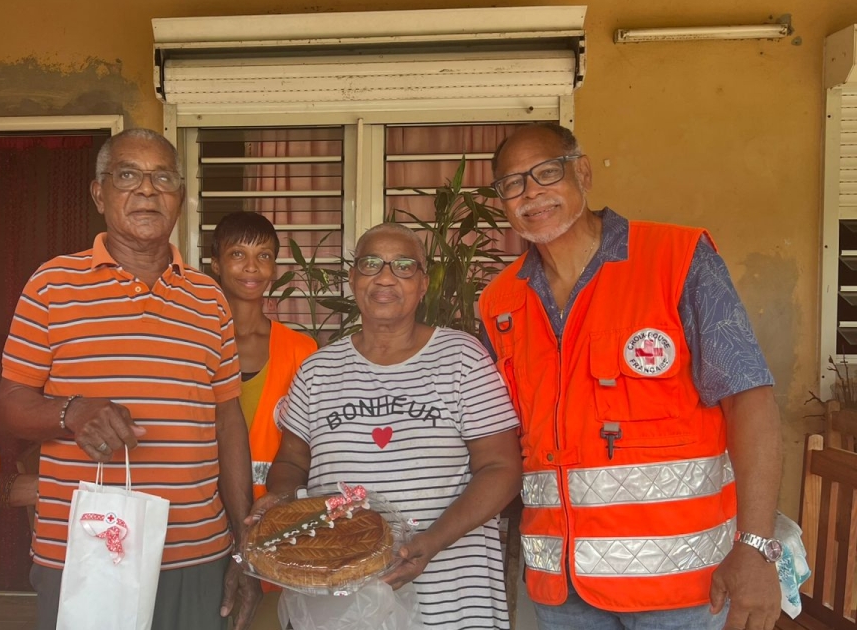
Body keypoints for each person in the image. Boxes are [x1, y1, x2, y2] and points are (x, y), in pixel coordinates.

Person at [478, 122, 783, 630]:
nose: (530, 192)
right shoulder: (499, 301)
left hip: (683, 582)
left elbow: (749, 400)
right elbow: (503, 438)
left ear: (583, 172)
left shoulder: (677, 260)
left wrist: (755, 546)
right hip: (562, 586)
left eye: (546, 173)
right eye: (512, 184)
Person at [0, 128, 261, 630]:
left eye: (163, 178)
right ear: (99, 193)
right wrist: (71, 412)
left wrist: (243, 547)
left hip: (196, 552)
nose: (147, 190)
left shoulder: (209, 301)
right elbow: (8, 404)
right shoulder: (51, 286)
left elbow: (228, 422)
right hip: (86, 553)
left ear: (180, 196)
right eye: (127, 175)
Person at [258, 222, 523, 628]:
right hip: (344, 601)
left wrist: (429, 543)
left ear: (422, 283)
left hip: (450, 595)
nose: (385, 276)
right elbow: (292, 462)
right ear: (352, 280)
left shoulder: (461, 359)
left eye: (403, 266)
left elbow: (502, 469)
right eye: (371, 264)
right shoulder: (318, 371)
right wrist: (278, 500)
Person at [211, 211, 317, 628]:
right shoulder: (195, 344)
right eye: (238, 254)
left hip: (275, 528)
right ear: (216, 264)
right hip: (200, 524)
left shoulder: (302, 349)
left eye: (264, 255)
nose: (252, 267)